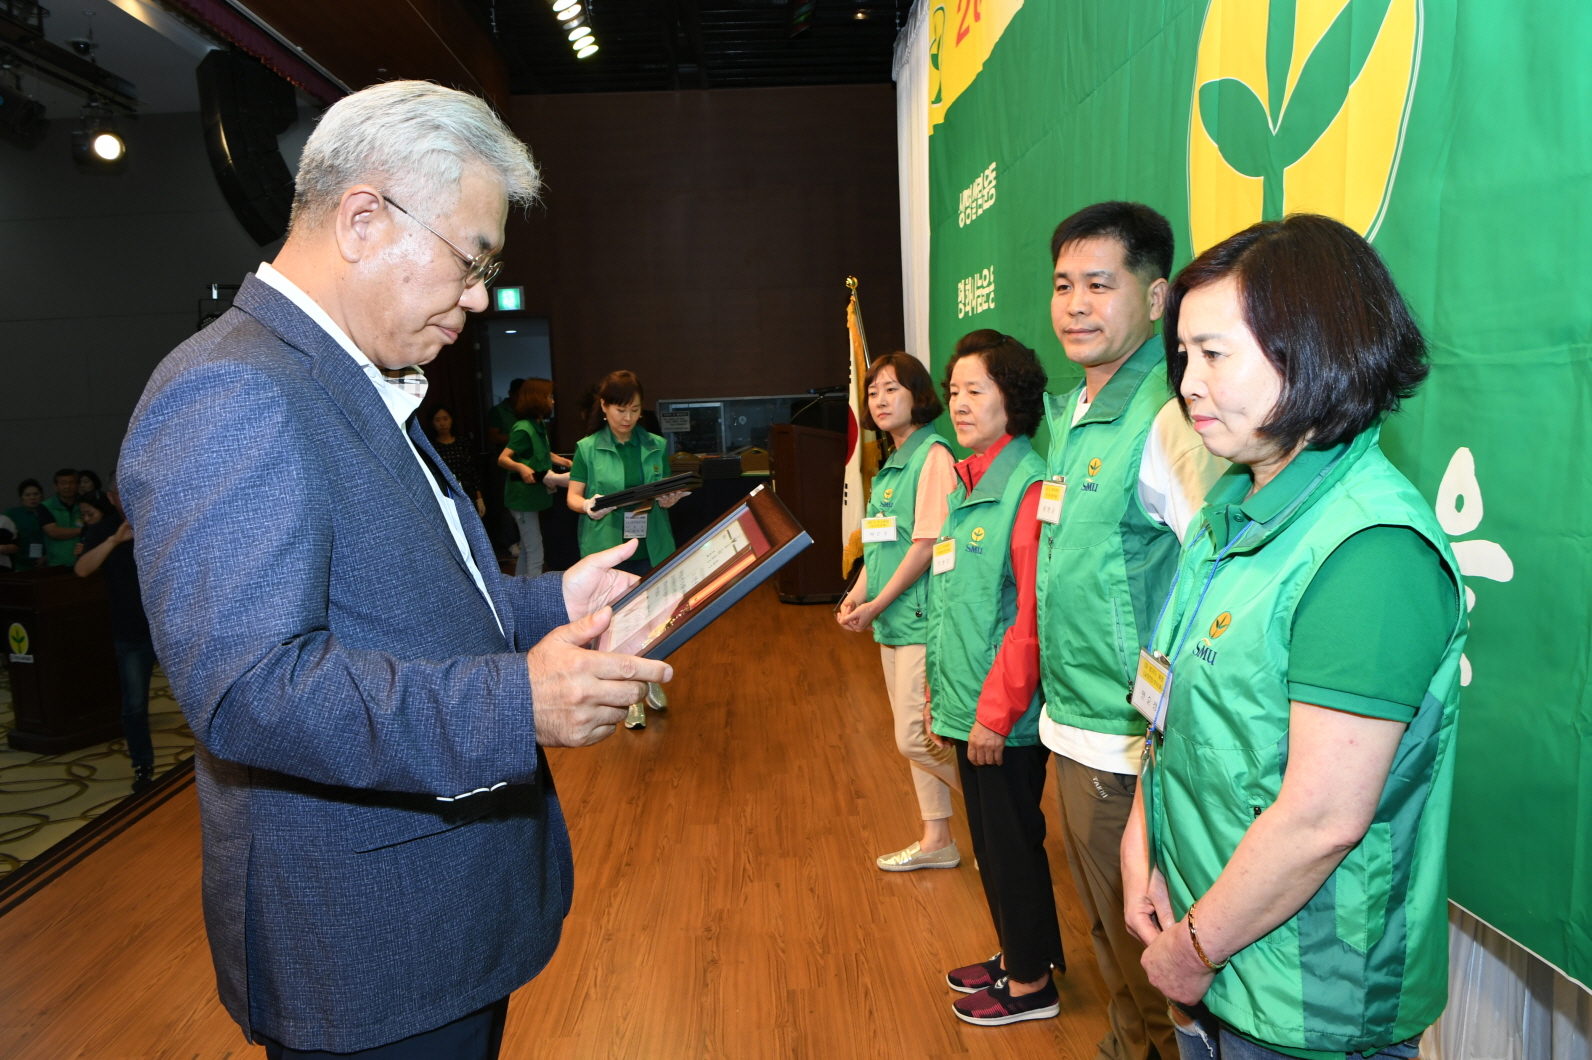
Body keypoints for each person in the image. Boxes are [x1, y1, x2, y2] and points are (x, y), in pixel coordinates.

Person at [118, 81, 673, 1060]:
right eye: (471, 261)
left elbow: (416, 597)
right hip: (368, 950)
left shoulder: (351, 376)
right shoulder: (231, 389)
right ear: (365, 218)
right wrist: (515, 705)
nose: (475, 297)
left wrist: (549, 601)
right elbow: (250, 690)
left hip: (433, 919)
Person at [1122, 215, 1464, 1060]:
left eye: (1214, 354)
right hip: (1216, 954)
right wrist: (1143, 842)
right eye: (1183, 357)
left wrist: (1190, 951)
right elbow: (1177, 711)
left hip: (1304, 999)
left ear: (1312, 348)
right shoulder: (1229, 513)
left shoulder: (1368, 550)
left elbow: (1321, 818)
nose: (1187, 384)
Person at [1034, 202, 1228, 1060]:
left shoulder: (1167, 416)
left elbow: (1217, 576)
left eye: (1099, 285)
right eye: (1064, 285)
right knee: (1115, 953)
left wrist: (1158, 728)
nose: (1076, 304)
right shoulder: (1076, 412)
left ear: (1156, 301)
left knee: (1152, 964)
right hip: (1075, 726)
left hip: (1128, 748)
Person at [925, 330, 1065, 1027]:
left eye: (976, 390)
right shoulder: (970, 482)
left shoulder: (1028, 486)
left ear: (1013, 398)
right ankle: (1016, 956)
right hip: (967, 705)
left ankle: (1032, 982)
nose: (960, 403)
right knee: (993, 847)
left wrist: (994, 713)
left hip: (1001, 718)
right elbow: (954, 606)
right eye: (954, 391)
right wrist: (937, 692)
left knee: (1012, 845)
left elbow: (1031, 616)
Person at [834, 352, 961, 872]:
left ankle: (996, 805)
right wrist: (857, 594)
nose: (880, 400)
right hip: (889, 620)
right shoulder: (891, 463)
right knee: (914, 736)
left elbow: (927, 544)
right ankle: (938, 840)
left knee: (915, 735)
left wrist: (878, 603)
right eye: (872, 392)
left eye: (892, 389)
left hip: (919, 619)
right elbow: (883, 544)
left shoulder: (932, 456)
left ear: (918, 395)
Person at [566, 370, 688, 731]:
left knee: (652, 616)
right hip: (608, 545)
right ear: (603, 407)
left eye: (635, 410)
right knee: (617, 622)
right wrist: (588, 505)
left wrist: (668, 499)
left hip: (651, 541)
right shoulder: (587, 448)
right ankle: (629, 695)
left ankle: (648, 680)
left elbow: (663, 490)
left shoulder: (655, 444)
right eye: (621, 410)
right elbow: (573, 496)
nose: (628, 418)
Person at [74, 491, 158, 792]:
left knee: (197, 697)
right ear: (112, 497)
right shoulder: (102, 529)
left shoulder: (158, 519)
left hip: (169, 630)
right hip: (130, 631)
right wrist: (114, 540)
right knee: (134, 705)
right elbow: (82, 569)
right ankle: (143, 767)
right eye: (122, 493)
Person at [498, 378, 572, 578]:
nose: (553, 401)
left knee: (528, 550)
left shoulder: (537, 425)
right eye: (549, 397)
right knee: (536, 551)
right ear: (538, 399)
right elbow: (503, 459)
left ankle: (521, 593)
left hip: (532, 497)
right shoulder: (523, 428)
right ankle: (535, 599)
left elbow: (543, 453)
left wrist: (565, 462)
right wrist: (521, 467)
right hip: (521, 499)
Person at [429, 406, 486, 518]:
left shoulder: (462, 443)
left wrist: (479, 498)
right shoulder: (430, 446)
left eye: (445, 419)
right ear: (432, 423)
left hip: (466, 493)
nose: (442, 423)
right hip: (443, 496)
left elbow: (472, 471)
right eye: (437, 420)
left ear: (452, 420)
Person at [4, 480, 51, 570]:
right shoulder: (12, 514)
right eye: (28, 495)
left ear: (42, 495)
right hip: (19, 564)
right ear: (21, 498)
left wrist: (47, 557)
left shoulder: (49, 513)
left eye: (36, 494)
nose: (32, 497)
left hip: (46, 563)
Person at [41, 468, 82, 567]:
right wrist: (83, 530)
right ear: (56, 486)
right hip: (57, 563)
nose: (67, 486)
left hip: (84, 561)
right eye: (63, 483)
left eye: (71, 482)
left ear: (77, 485)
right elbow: (53, 532)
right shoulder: (46, 506)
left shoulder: (84, 504)